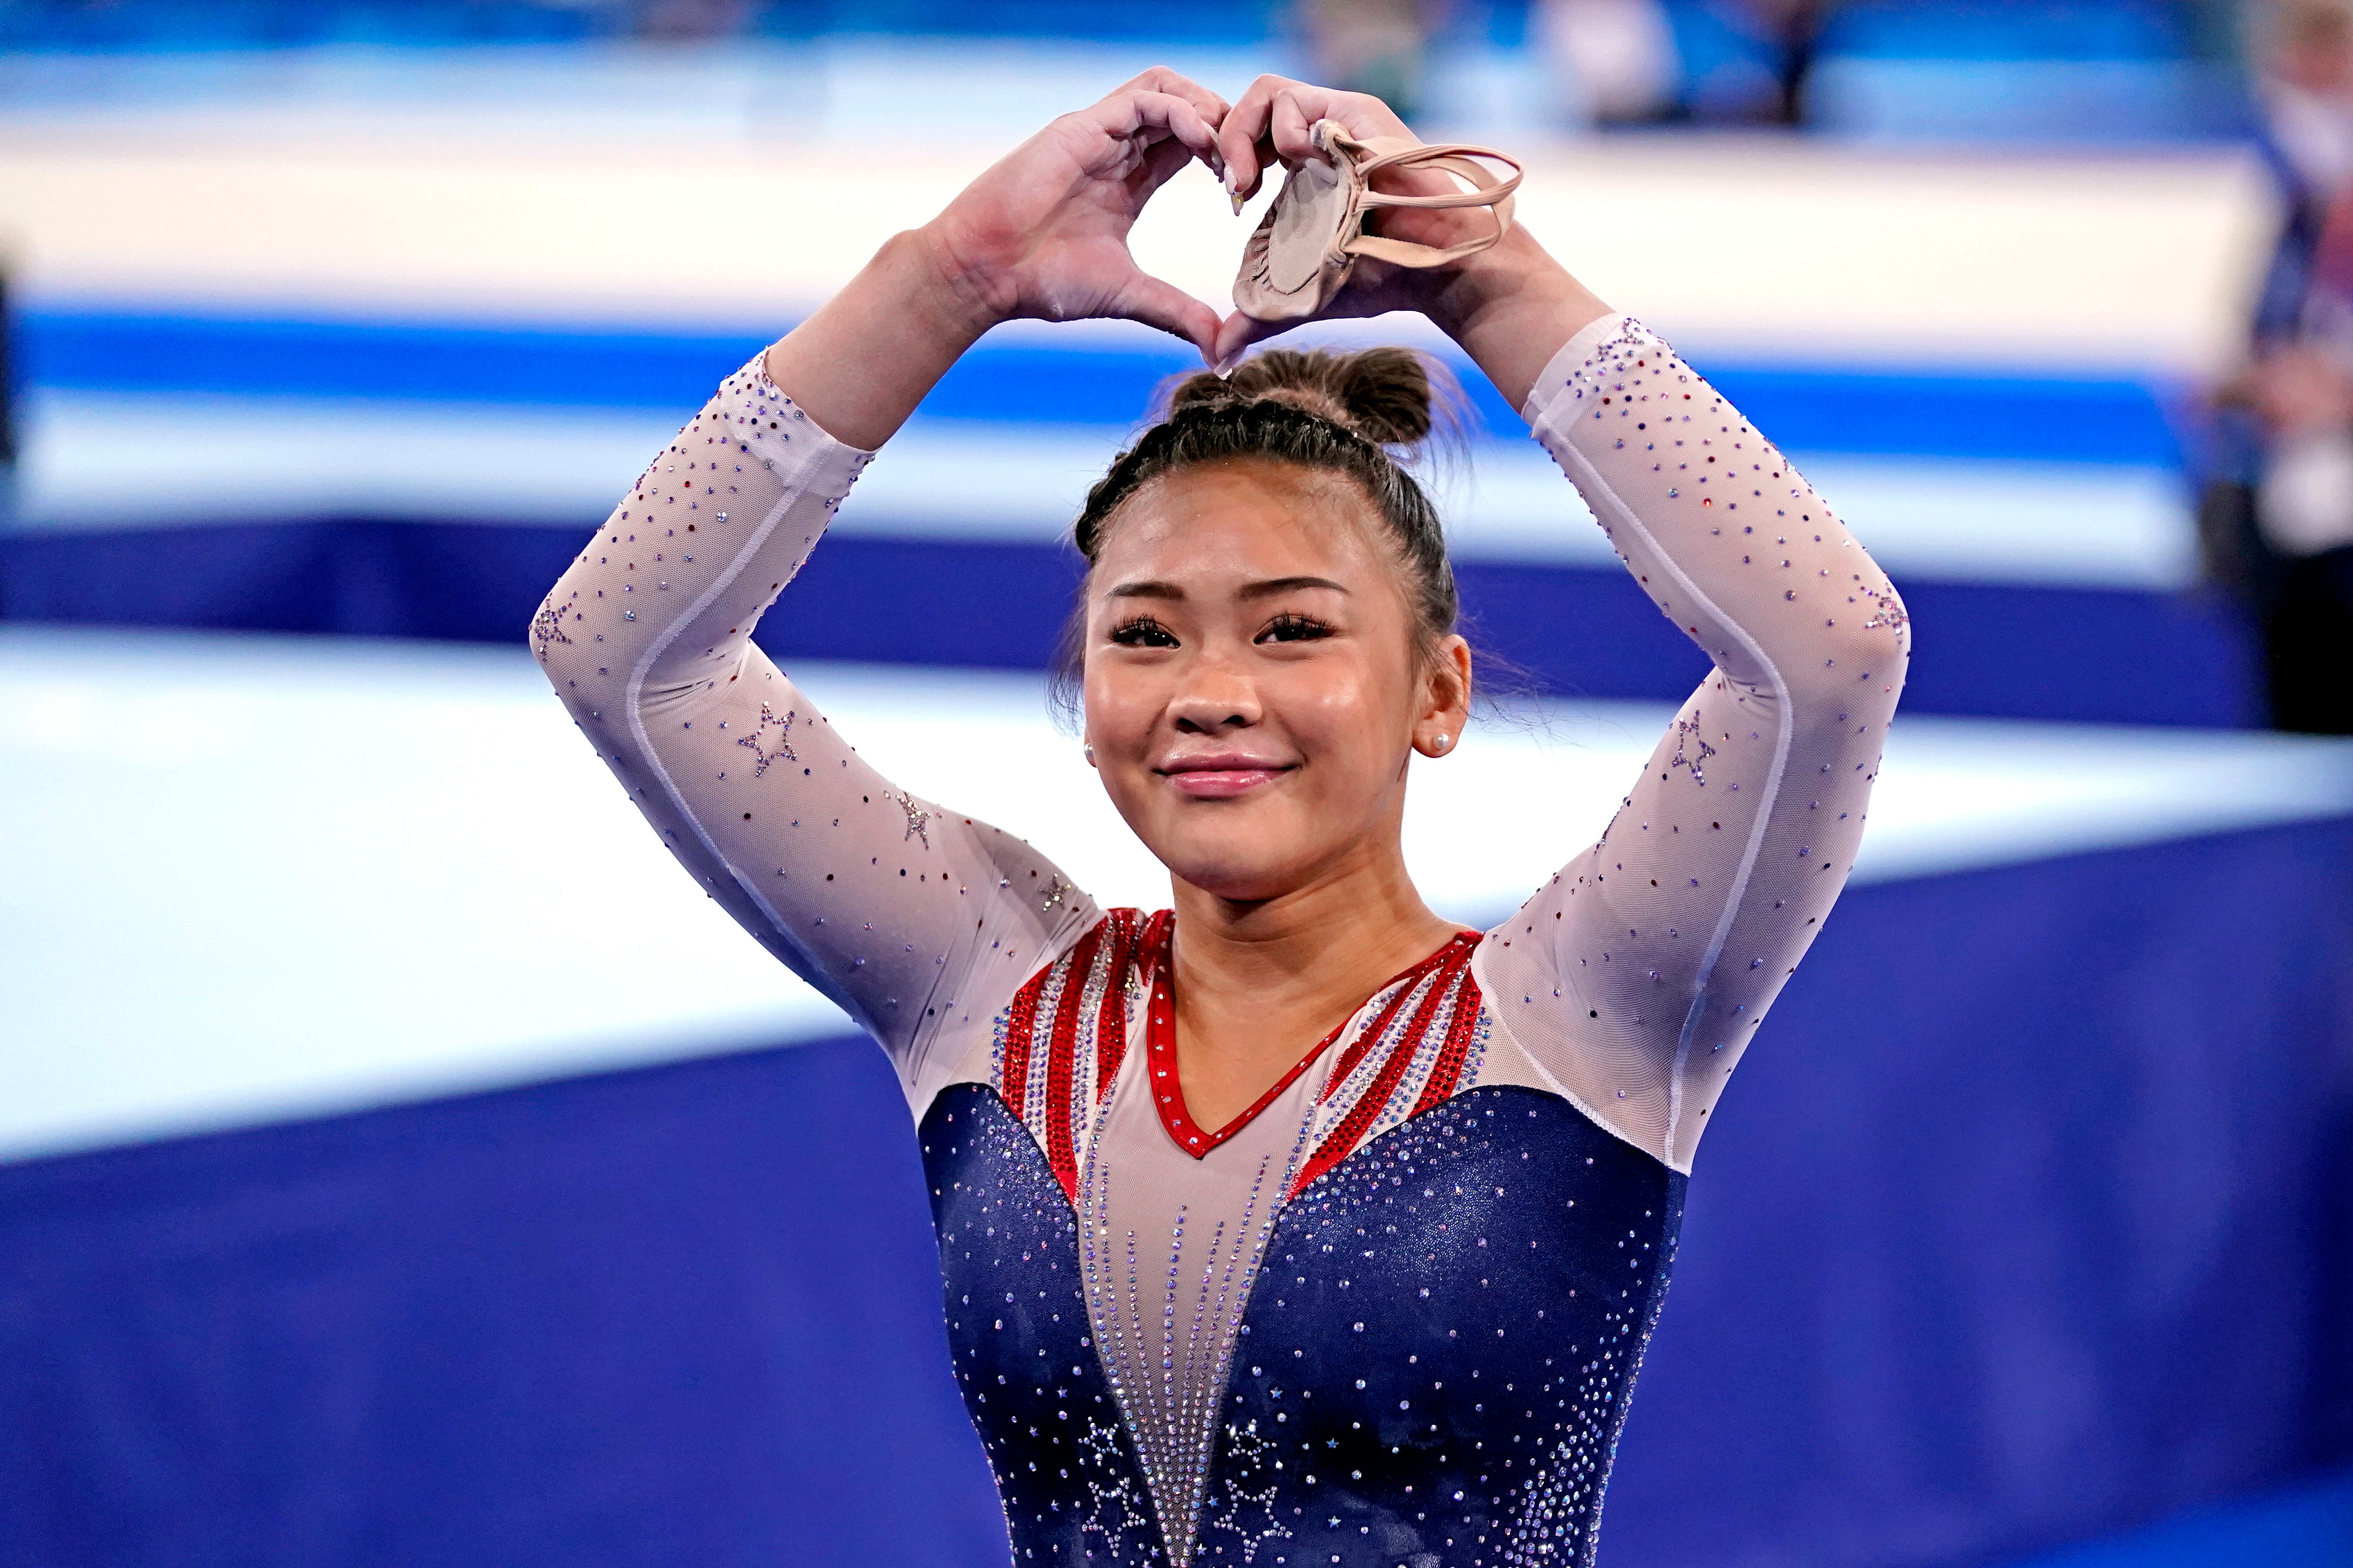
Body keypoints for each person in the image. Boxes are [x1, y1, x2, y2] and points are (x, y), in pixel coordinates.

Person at [531, 69, 1907, 1566]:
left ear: (1435, 693)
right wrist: (947, 277)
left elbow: (1824, 650)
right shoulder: (990, 986)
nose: (1208, 691)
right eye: (1144, 633)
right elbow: (624, 648)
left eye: (1291, 629)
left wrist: (1483, 270)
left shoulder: (1577, 1012)